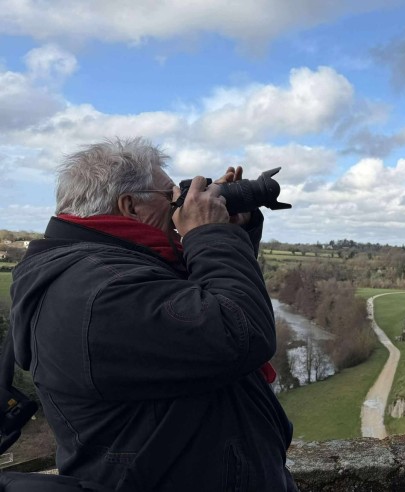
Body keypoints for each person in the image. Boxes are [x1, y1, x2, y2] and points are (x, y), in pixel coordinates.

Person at [9, 137, 298, 491]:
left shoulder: (112, 266)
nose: (179, 204)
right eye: (170, 196)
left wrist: (231, 230)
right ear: (130, 205)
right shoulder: (100, 294)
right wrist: (210, 233)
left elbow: (204, 303)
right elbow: (239, 331)